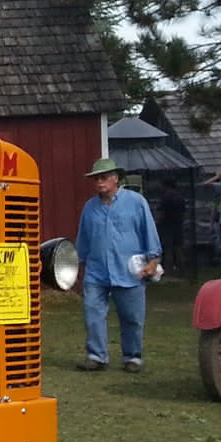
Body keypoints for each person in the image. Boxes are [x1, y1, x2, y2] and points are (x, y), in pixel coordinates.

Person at [74, 156, 161, 372]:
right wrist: (77, 265)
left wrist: (153, 260)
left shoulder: (136, 202)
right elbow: (83, 238)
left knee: (132, 317)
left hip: (129, 271)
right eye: (95, 179)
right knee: (92, 312)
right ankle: (97, 355)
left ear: (115, 179)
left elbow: (148, 231)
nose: (98, 183)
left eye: (103, 178)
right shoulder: (90, 207)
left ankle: (132, 356)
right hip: (96, 271)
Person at [157, 183, 188, 273]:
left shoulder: (165, 197)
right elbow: (184, 211)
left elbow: (162, 212)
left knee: (168, 248)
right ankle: (181, 268)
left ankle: (168, 269)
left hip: (167, 225)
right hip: (178, 224)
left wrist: (159, 222)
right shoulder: (180, 196)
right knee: (178, 247)